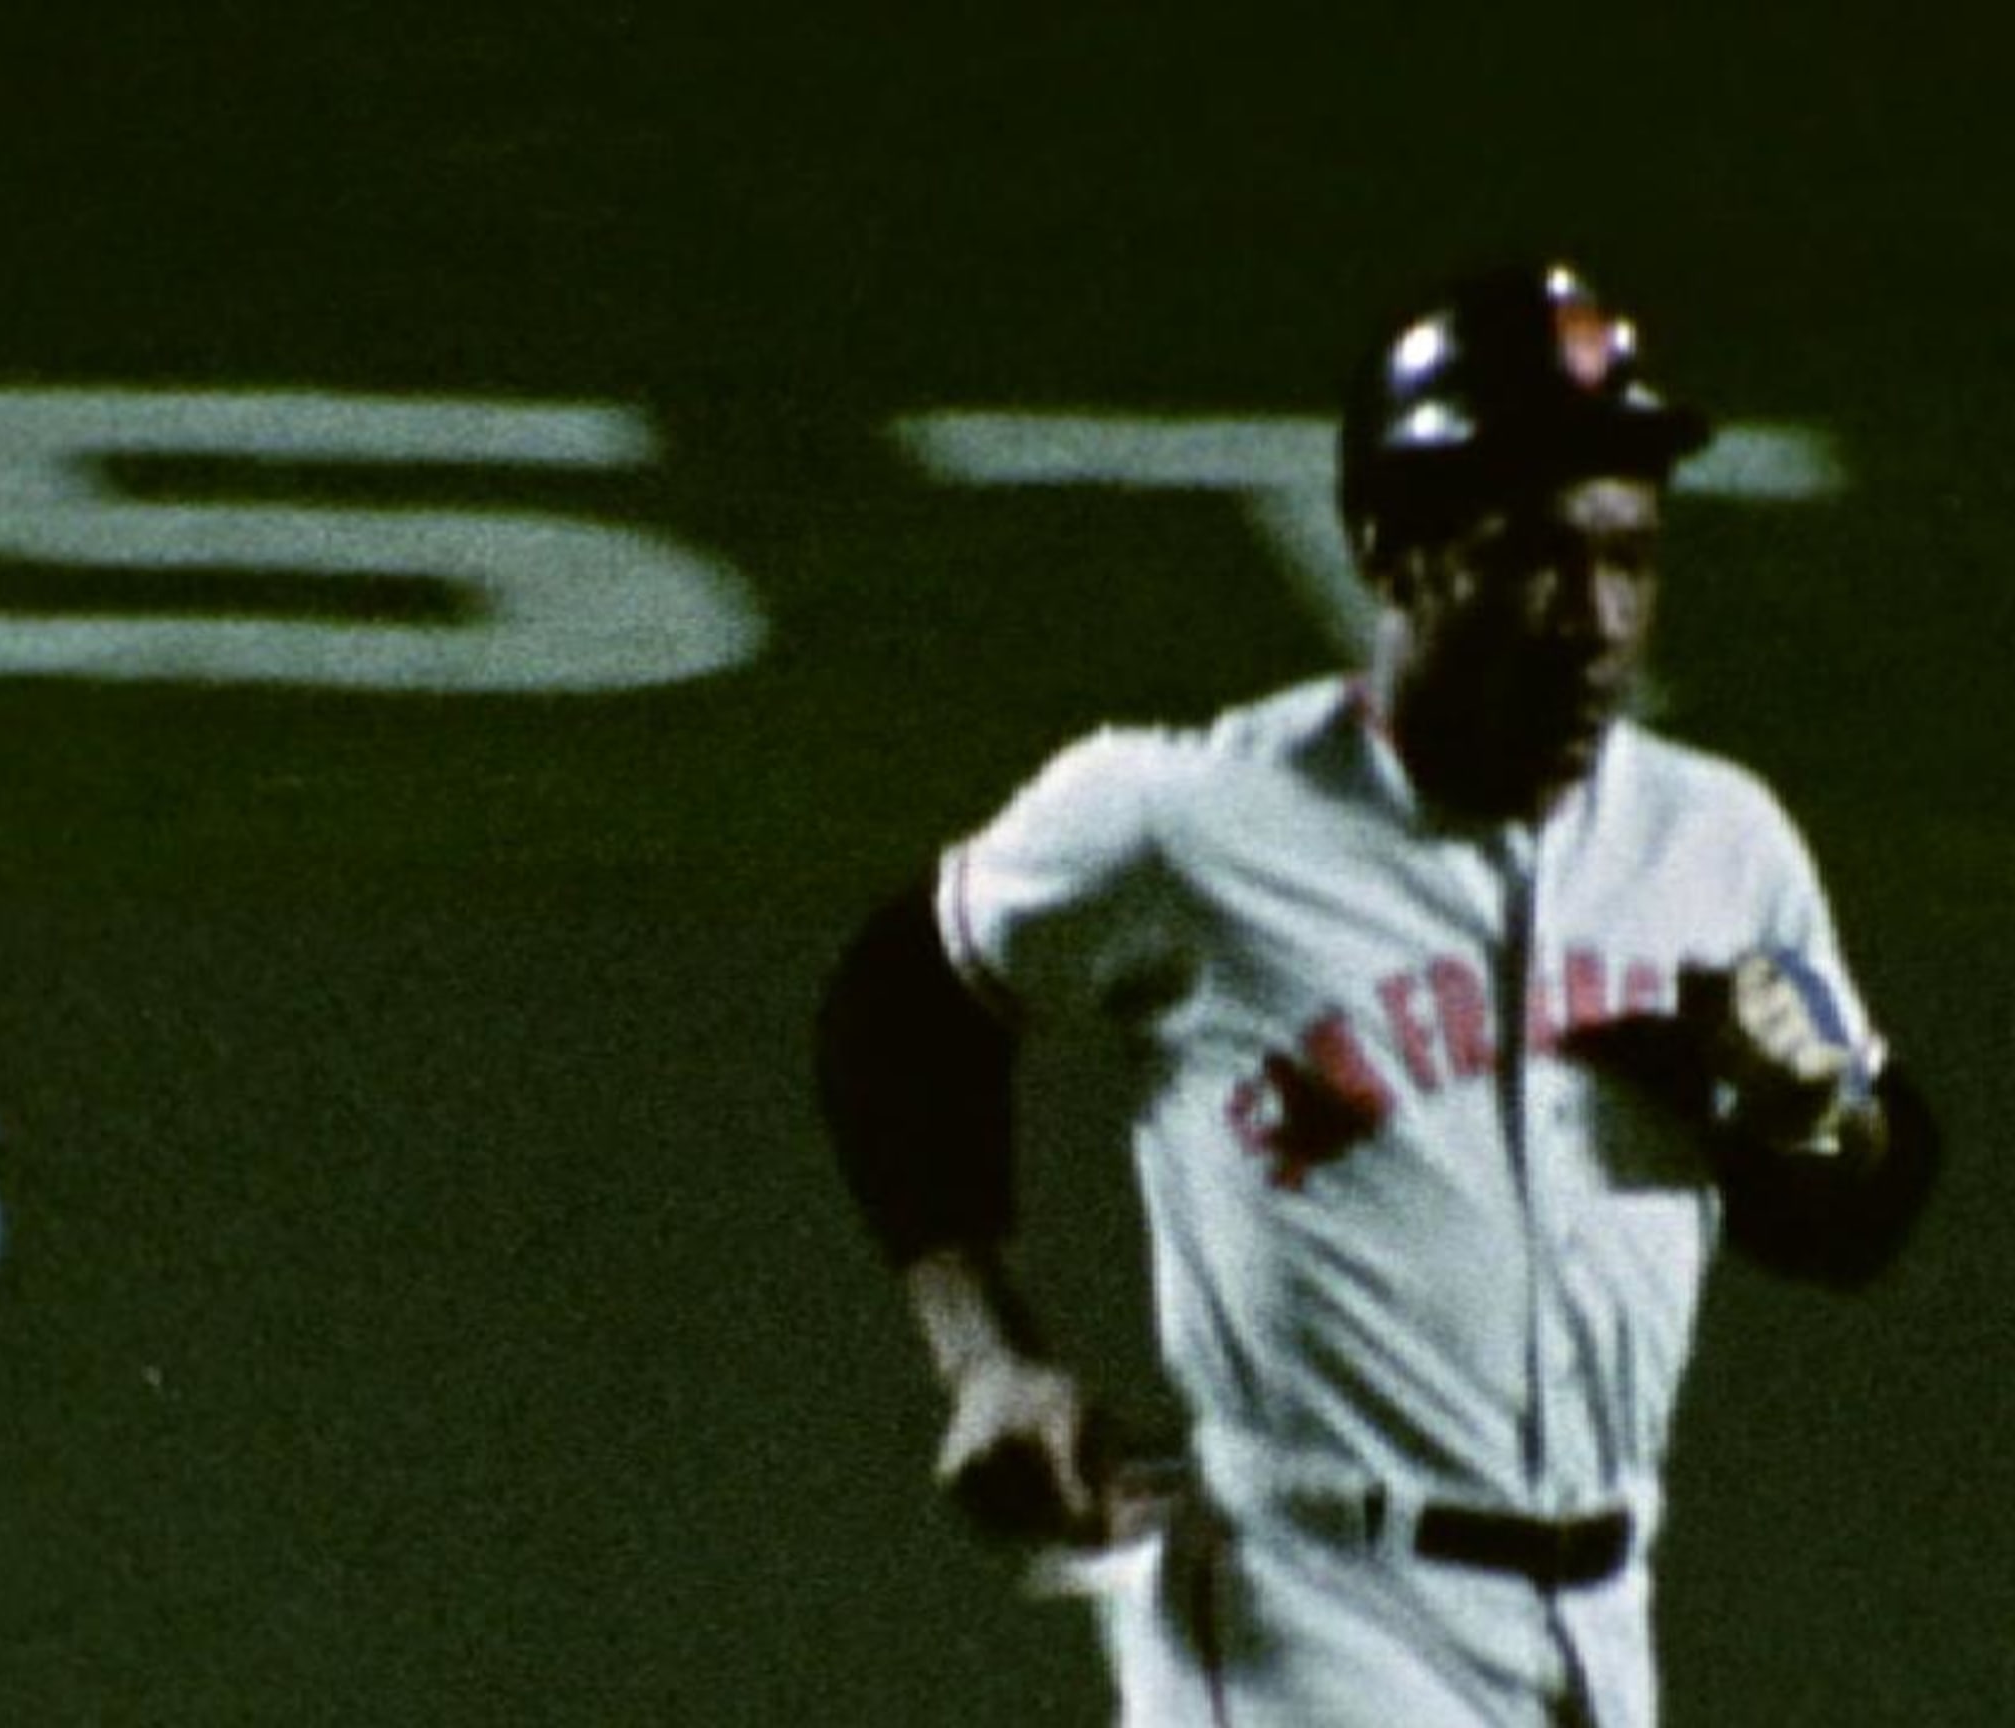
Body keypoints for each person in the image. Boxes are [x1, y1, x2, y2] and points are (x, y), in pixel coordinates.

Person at [818, 260, 1940, 1727]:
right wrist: (988, 1355)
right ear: (1390, 551)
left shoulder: (1718, 844)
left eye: (1631, 558)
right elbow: (903, 1001)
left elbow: (1853, 1220)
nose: (1595, 620)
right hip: (1312, 1616)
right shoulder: (1190, 820)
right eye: (1537, 555)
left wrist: (1819, 1121)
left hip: (1603, 1633)